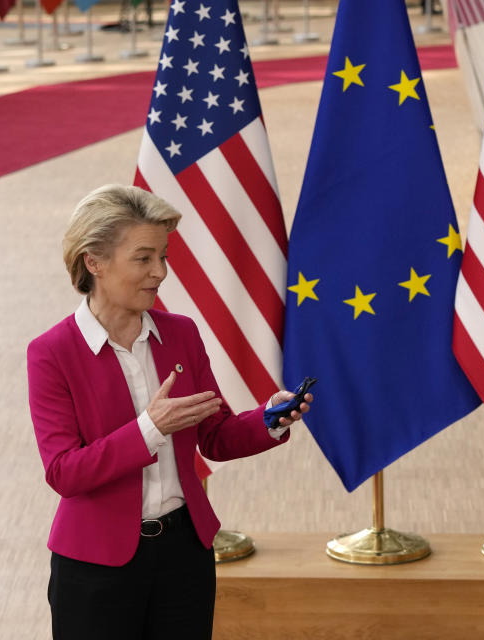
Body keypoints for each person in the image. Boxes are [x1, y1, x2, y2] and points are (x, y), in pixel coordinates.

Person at [27, 184, 311, 640]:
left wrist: (268, 419)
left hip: (185, 553)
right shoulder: (51, 353)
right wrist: (149, 429)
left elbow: (214, 435)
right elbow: (64, 472)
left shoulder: (181, 334)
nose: (159, 272)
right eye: (143, 258)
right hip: (96, 564)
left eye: (163, 256)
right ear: (93, 262)